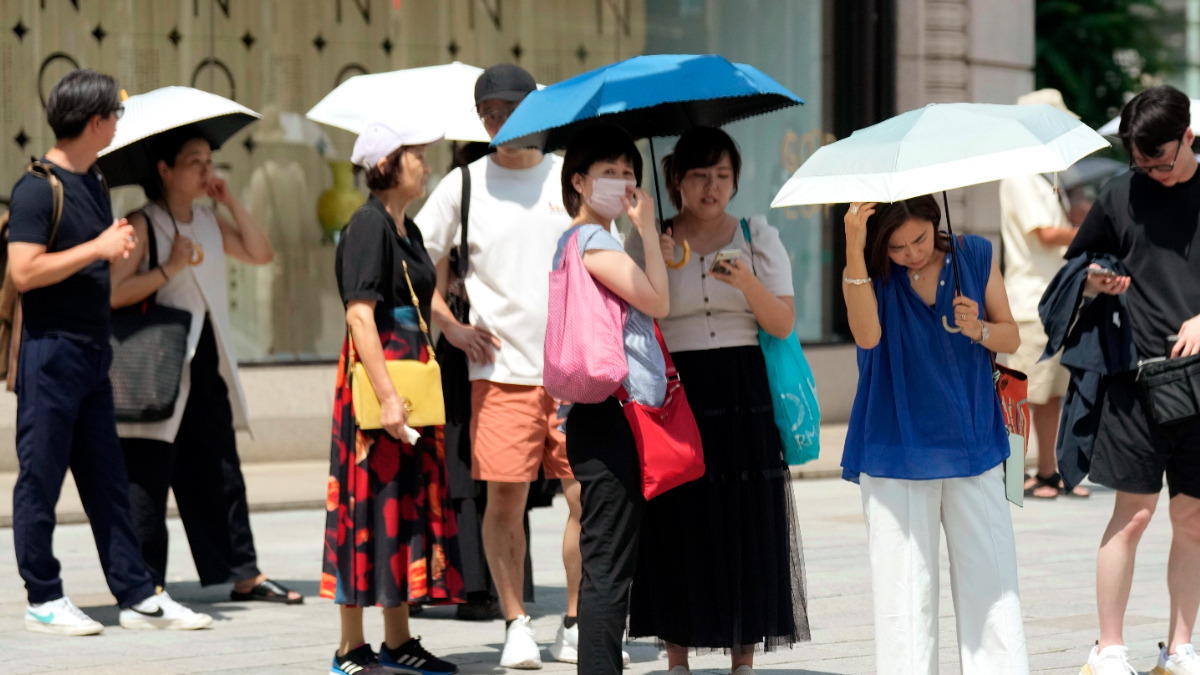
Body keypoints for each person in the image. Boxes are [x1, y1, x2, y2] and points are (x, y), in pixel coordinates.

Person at [7, 69, 212, 635]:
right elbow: (23, 271)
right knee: (40, 479)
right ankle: (43, 597)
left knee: (108, 481)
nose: (120, 124)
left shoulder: (94, 180)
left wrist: (109, 246)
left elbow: (87, 258)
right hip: (50, 354)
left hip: (96, 353)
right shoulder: (36, 187)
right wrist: (96, 247)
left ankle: (138, 594)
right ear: (95, 121)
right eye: (115, 115)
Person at [624, 127, 810, 673]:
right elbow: (635, 317)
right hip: (676, 390)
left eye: (723, 175)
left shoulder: (758, 233)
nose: (711, 187)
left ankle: (743, 659)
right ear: (675, 179)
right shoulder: (648, 234)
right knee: (679, 518)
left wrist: (748, 281)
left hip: (741, 388)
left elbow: (783, 320)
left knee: (746, 520)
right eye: (699, 175)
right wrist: (651, 256)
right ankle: (676, 656)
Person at [416, 63, 583, 668]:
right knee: (503, 502)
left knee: (585, 499)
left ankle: (574, 619)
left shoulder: (570, 179)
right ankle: (515, 623)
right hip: (498, 374)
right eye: (488, 113)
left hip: (574, 373)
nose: (499, 121)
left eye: (510, 109)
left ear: (536, 110)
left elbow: (608, 256)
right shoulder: (462, 185)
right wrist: (451, 327)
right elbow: (413, 264)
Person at [108, 126, 302, 604]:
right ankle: (144, 580)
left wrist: (231, 201)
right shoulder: (141, 222)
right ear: (165, 170)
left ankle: (244, 574)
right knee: (148, 472)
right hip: (156, 361)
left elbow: (261, 253)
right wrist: (169, 269)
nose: (206, 169)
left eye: (208, 161)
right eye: (194, 162)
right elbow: (111, 293)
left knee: (220, 467)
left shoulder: (210, 221)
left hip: (206, 359)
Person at [841, 196, 1029, 675]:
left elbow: (1012, 336)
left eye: (919, 239)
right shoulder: (872, 273)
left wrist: (979, 328)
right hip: (895, 448)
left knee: (994, 588)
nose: (912, 252)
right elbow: (866, 337)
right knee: (904, 596)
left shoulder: (974, 254)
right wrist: (855, 248)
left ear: (935, 221)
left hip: (974, 442)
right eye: (898, 246)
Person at [321, 118, 463, 675]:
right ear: (386, 165)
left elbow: (418, 303)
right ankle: (350, 647)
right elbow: (360, 315)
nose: (425, 164)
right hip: (381, 387)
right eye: (416, 155)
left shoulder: (406, 229)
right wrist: (385, 397)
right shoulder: (367, 226)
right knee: (366, 507)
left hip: (411, 385)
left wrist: (452, 327)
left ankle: (398, 640)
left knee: (400, 508)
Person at [1066, 85, 1200, 675]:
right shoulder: (1119, 193)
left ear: (1189, 137)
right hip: (1135, 380)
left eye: (1162, 162)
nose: (1152, 173)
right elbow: (1077, 266)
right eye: (1142, 163)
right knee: (1135, 513)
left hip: (1199, 385)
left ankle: (1180, 647)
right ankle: (1109, 647)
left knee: (1193, 517)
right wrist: (1097, 279)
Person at [553, 123, 670, 675]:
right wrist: (646, 233)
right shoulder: (593, 239)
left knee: (608, 560)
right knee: (607, 568)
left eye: (629, 172)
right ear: (578, 180)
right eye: (608, 173)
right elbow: (657, 303)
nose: (623, 182)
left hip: (596, 414)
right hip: (613, 415)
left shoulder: (573, 241)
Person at [1000, 89, 1089, 499]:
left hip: (1050, 301)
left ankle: (1047, 473)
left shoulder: (1041, 176)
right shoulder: (1020, 174)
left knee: (1049, 394)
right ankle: (1015, 475)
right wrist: (1090, 229)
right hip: (1030, 304)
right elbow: (1045, 233)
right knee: (1021, 393)